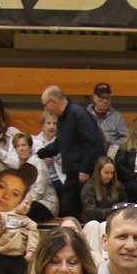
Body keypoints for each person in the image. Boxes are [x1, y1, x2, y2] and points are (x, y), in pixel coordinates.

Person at [39, 86, 107, 219]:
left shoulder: (78, 114)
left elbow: (92, 142)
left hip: (84, 173)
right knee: (68, 209)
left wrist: (85, 169)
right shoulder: (63, 118)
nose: (45, 109)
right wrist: (39, 153)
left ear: (54, 101)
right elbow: (60, 143)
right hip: (72, 172)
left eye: (45, 105)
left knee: (86, 210)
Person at [80, 154, 126, 223]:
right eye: (106, 173)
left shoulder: (118, 186)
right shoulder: (89, 187)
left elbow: (123, 203)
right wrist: (113, 211)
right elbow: (91, 211)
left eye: (112, 173)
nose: (110, 176)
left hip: (114, 221)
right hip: (94, 222)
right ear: (98, 172)